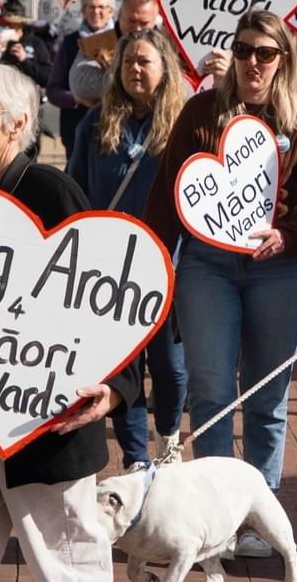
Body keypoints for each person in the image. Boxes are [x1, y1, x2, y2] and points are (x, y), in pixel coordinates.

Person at [0, 63, 139, 580]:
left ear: (17, 123)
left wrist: (115, 389)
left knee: (65, 562)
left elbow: (115, 302)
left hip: (43, 423)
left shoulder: (53, 193)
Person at [143, 10, 297, 558]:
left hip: (278, 267)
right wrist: (151, 261)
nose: (253, 61)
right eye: (244, 49)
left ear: (284, 61)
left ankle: (257, 517)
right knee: (210, 394)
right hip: (207, 265)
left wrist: (287, 236)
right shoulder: (202, 111)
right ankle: (212, 524)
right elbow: (168, 192)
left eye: (266, 53)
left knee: (267, 398)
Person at [68, 28, 188, 472]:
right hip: (111, 269)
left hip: (168, 264)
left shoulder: (182, 124)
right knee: (123, 367)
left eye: (145, 62)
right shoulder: (96, 123)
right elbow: (76, 190)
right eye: (128, 62)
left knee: (171, 367)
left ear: (164, 69)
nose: (136, 69)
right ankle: (136, 458)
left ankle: (169, 437)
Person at [48, 0, 116, 159]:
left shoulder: (122, 40)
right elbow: (53, 90)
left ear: (111, 11)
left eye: (101, 7)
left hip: (114, 127)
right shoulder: (71, 43)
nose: (96, 12)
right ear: (83, 11)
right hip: (76, 129)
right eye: (90, 7)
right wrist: (75, 98)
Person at [69, 0, 160, 106]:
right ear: (120, 15)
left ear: (155, 19)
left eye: (144, 23)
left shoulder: (166, 46)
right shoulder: (98, 42)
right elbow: (80, 84)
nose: (137, 29)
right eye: (131, 21)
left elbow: (180, 85)